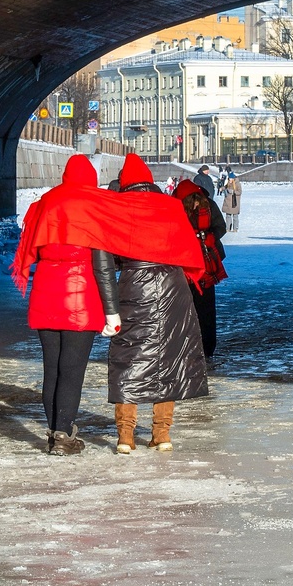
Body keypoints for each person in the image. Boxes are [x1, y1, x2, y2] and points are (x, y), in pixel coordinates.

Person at [12, 154, 123, 455]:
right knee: (72, 371)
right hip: (81, 296)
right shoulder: (94, 205)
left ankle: (52, 434)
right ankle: (63, 436)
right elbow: (102, 265)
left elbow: (30, 246)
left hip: (45, 292)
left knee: (52, 369)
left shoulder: (46, 202)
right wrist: (112, 310)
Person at [109, 154, 208, 454]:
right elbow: (189, 248)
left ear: (125, 183)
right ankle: (161, 434)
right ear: (149, 180)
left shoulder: (118, 207)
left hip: (133, 283)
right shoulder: (170, 205)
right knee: (169, 357)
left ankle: (126, 436)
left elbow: (111, 253)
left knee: (128, 357)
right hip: (171, 286)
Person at [173, 178, 228, 361]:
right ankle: (187, 345)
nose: (196, 205)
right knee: (185, 308)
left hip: (206, 262)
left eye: (197, 201)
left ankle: (207, 346)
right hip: (185, 262)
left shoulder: (209, 205)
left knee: (206, 308)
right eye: (193, 203)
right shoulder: (176, 207)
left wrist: (209, 236)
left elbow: (220, 226)